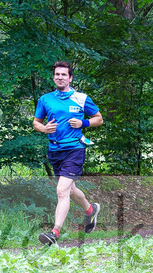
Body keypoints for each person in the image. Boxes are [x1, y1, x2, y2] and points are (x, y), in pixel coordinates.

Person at [32, 61, 104, 246]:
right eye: (57, 74)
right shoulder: (45, 99)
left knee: (61, 190)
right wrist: (44, 129)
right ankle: (90, 210)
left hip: (75, 149)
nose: (60, 77)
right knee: (70, 190)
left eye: (64, 74)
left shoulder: (81, 98)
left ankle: (54, 233)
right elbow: (36, 122)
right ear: (53, 77)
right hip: (55, 150)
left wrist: (83, 123)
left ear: (70, 78)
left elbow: (99, 119)